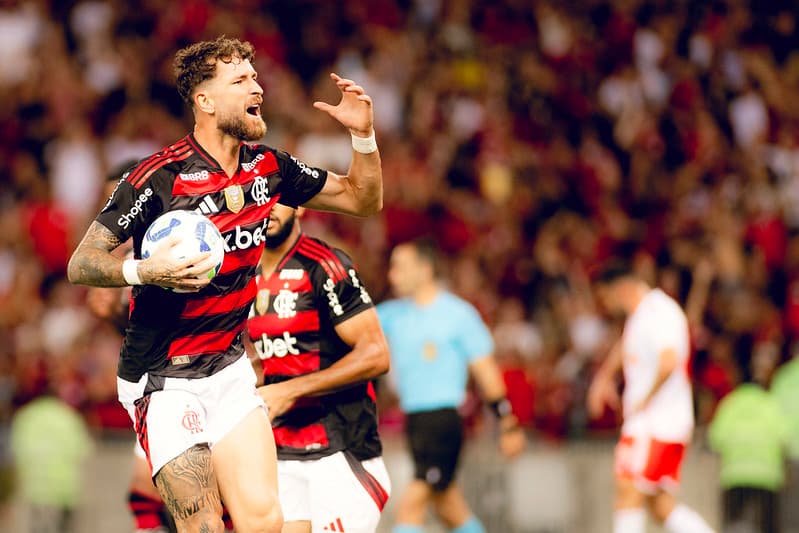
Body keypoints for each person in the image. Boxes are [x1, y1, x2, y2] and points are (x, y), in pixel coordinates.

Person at [67, 36, 382, 533]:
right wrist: (145, 272)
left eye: (255, 77)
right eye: (241, 80)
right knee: (205, 525)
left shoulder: (269, 168)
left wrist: (363, 137)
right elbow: (82, 262)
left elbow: (363, 200)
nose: (257, 87)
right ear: (205, 101)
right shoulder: (159, 178)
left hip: (230, 371)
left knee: (263, 522)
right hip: (163, 378)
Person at [246, 203, 391, 533]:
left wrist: (291, 389)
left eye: (278, 198)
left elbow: (376, 354)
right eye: (259, 197)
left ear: (299, 206)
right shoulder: (241, 275)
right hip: (280, 451)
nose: (267, 208)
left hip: (341, 451)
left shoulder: (324, 264)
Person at [376, 238, 525, 533]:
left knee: (412, 504)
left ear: (425, 269)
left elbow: (485, 370)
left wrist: (507, 421)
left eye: (400, 267)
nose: (392, 275)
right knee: (448, 506)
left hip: (443, 420)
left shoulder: (458, 314)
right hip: (414, 421)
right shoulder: (392, 314)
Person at [587, 262, 715, 533]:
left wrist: (645, 397)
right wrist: (604, 378)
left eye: (605, 297)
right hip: (657, 421)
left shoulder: (660, 312)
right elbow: (626, 345)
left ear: (621, 289)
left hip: (657, 421)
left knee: (628, 490)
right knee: (659, 506)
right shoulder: (641, 315)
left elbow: (669, 361)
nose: (605, 305)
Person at [708, 357, 787, 533]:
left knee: (733, 524)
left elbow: (716, 439)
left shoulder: (730, 404)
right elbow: (784, 437)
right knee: (768, 526)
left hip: (734, 474)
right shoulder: (771, 404)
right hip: (767, 475)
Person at [9, 390, 92, 533]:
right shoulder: (68, 416)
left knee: (37, 526)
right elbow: (82, 449)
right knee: (64, 526)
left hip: (34, 484)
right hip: (64, 485)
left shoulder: (25, 416)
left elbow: (16, 448)